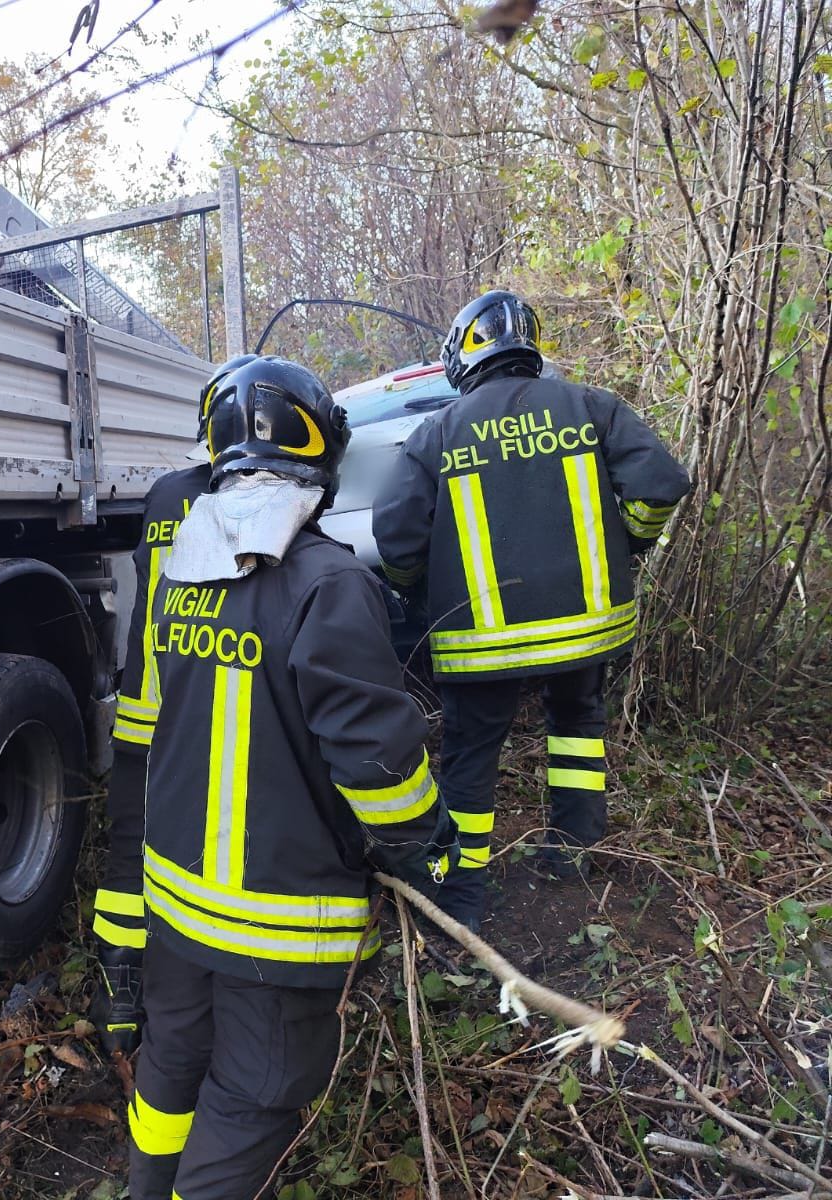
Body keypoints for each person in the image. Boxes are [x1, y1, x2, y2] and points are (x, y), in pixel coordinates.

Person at [128, 356, 456, 1200]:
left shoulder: (178, 578)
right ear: (320, 449)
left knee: (170, 1064)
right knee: (252, 1103)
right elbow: (378, 766)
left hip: (174, 898)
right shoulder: (331, 581)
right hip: (276, 924)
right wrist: (424, 846)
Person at [373, 290, 691, 931]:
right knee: (576, 728)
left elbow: (396, 537)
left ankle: (466, 886)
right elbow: (660, 484)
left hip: (482, 643)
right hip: (586, 628)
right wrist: (630, 542)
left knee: (472, 751)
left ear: (464, 354)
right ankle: (571, 855)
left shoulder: (437, 432)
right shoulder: (589, 406)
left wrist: (420, 594)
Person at [94, 353, 256, 1056]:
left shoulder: (163, 497)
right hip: (227, 717)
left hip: (145, 714)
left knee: (129, 853)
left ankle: (118, 1006)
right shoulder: (267, 500)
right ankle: (220, 996)